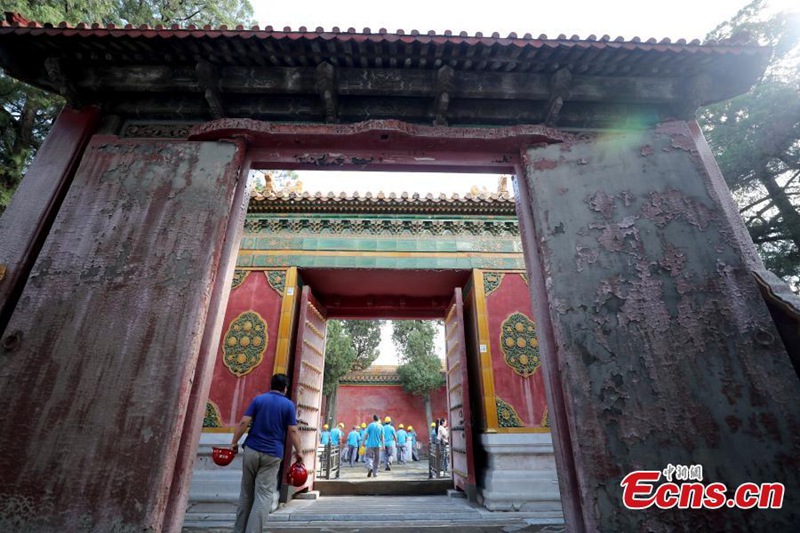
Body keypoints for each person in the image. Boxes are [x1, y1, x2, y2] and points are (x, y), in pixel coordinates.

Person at [230, 373, 303, 533]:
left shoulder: (259, 400)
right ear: (285, 388)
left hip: (251, 449)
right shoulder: (288, 405)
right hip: (272, 453)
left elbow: (244, 422)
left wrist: (234, 443)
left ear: (271, 385)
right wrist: (299, 452)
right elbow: (293, 430)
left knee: (246, 492)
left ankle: (239, 529)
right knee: (263, 495)